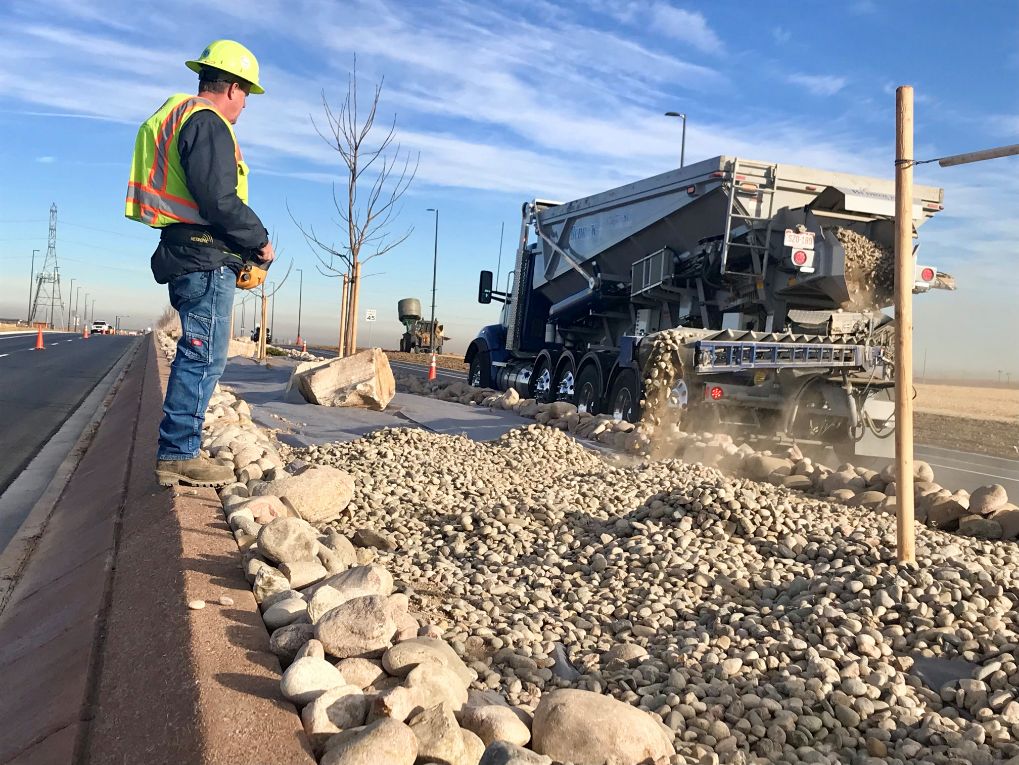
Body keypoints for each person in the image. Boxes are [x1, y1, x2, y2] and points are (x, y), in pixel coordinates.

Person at [125, 40, 274, 487]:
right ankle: (178, 453)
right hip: (204, 254)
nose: (245, 104)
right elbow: (218, 199)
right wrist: (260, 240)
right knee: (203, 354)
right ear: (231, 87)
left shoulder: (176, 116)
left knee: (199, 351)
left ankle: (178, 447)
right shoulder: (207, 122)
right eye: (246, 93)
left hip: (187, 250)